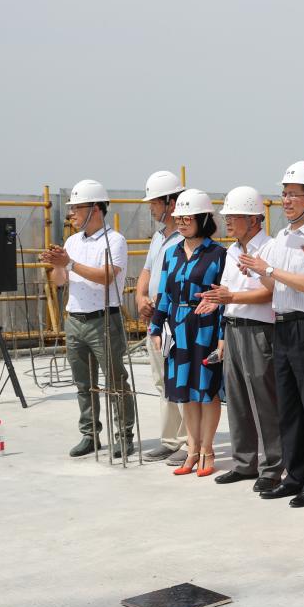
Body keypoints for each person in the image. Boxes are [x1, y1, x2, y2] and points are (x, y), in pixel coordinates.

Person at [239, 161, 304, 504]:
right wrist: (256, 271)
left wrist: (269, 270)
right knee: (290, 407)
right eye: (284, 194)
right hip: (282, 324)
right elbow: (273, 283)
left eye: (294, 194)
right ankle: (294, 475)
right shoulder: (281, 237)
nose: (286, 200)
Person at [42, 180, 135, 458]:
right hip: (76, 319)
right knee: (83, 383)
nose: (71, 214)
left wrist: (69, 263)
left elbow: (106, 277)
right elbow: (61, 282)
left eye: (76, 208)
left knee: (115, 381)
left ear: (95, 209)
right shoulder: (72, 241)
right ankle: (90, 434)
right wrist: (58, 265)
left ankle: (124, 435)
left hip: (104, 319)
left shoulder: (114, 240)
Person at [199, 186, 282, 494]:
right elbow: (227, 291)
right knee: (237, 399)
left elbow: (271, 292)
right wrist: (216, 302)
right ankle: (245, 462)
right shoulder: (232, 250)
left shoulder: (270, 249)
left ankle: (272, 466)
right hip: (233, 328)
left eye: (234, 216)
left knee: (264, 401)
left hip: (260, 330)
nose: (228, 222)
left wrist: (231, 297)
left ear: (253, 219)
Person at [148, 189, 227, 478]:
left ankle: (208, 449)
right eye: (178, 217)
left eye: (187, 218)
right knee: (186, 391)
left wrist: (222, 336)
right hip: (177, 327)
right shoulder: (171, 253)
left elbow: (223, 299)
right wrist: (156, 326)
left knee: (206, 390)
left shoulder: (219, 254)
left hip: (206, 327)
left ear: (203, 218)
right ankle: (192, 449)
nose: (181, 222)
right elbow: (164, 293)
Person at [136, 171, 187, 463]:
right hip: (156, 321)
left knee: (180, 378)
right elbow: (146, 271)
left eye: (154, 203)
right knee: (163, 381)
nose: (151, 208)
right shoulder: (159, 237)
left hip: (174, 319)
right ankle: (170, 440)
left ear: (171, 202)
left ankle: (188, 441)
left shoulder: (185, 238)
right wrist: (140, 297)